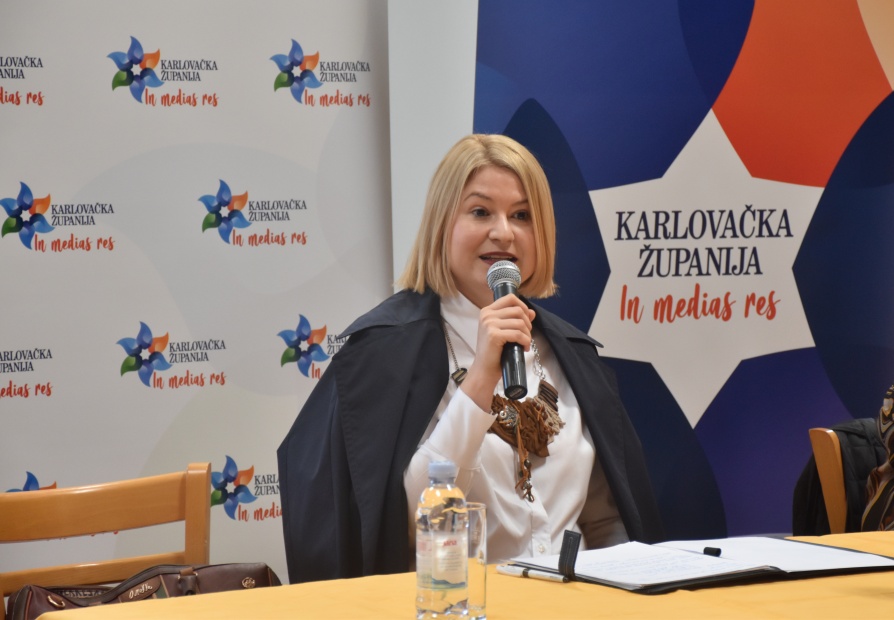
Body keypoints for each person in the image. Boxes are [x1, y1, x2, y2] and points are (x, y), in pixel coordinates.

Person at [277, 134, 664, 584]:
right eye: (480, 212)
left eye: (521, 215)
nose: (503, 232)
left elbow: (605, 521)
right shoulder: (380, 355)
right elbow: (403, 525)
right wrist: (480, 378)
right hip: (458, 603)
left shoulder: (574, 356)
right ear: (442, 224)